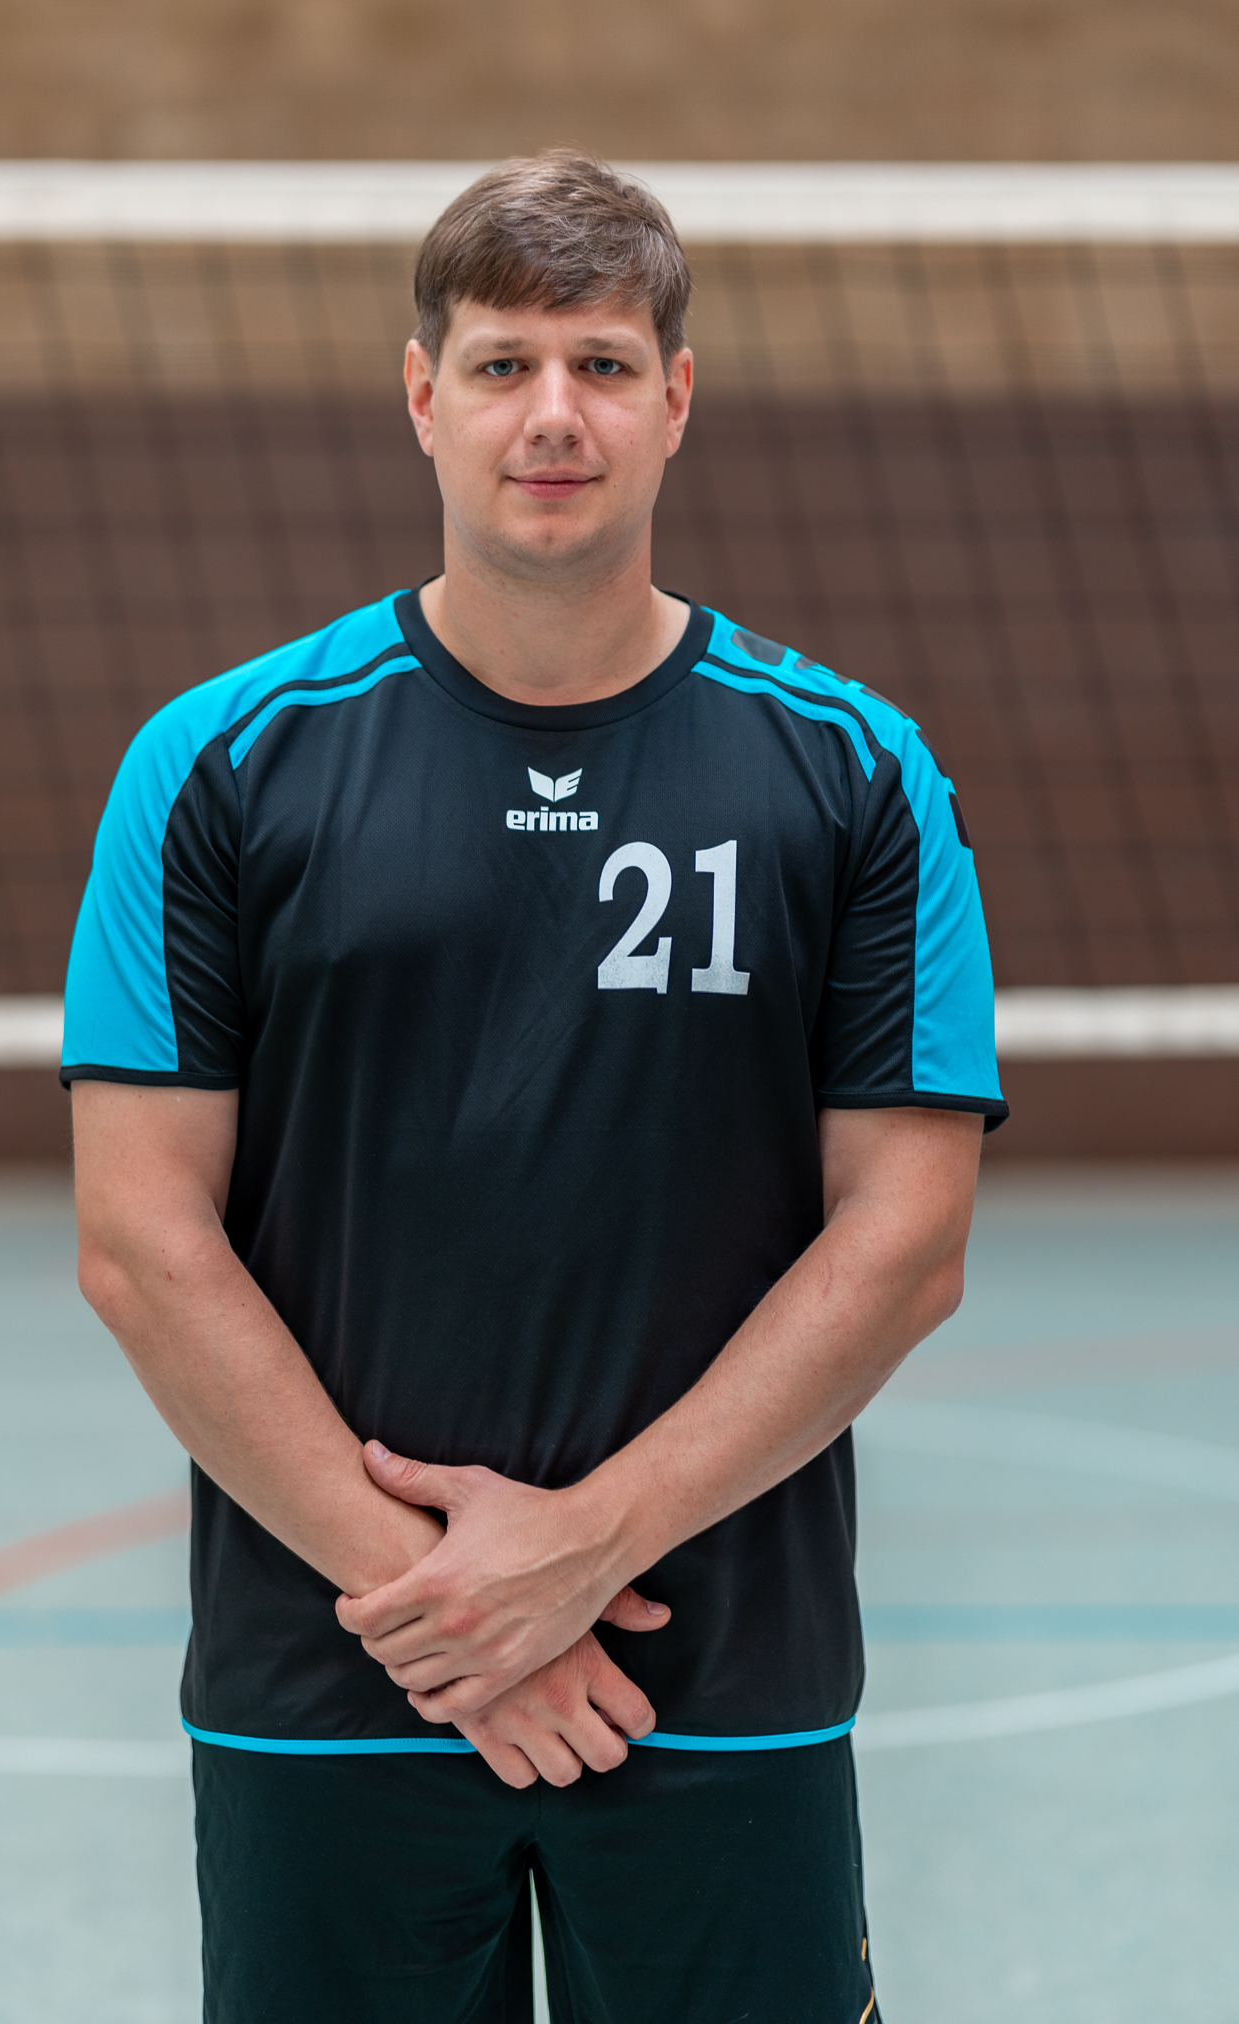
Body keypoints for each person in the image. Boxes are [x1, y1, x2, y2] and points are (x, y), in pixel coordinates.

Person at [65, 150, 1006, 2024]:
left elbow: (904, 1244)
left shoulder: (856, 774)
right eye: (501, 365)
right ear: (422, 397)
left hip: (716, 1677)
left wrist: (584, 1548)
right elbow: (140, 1243)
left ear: (677, 398)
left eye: (600, 364)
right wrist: (447, 1609)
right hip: (333, 1673)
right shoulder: (214, 765)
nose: (551, 414)